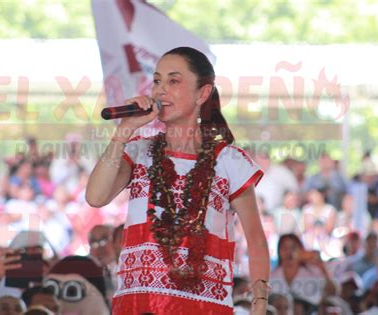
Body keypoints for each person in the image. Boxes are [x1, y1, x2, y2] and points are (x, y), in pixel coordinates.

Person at [86, 47, 270, 314]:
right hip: (139, 304)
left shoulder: (229, 161)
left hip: (203, 306)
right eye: (157, 81)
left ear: (202, 93)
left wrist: (260, 305)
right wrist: (125, 129)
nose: (160, 91)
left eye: (173, 81)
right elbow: (96, 197)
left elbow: (256, 240)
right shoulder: (138, 150)